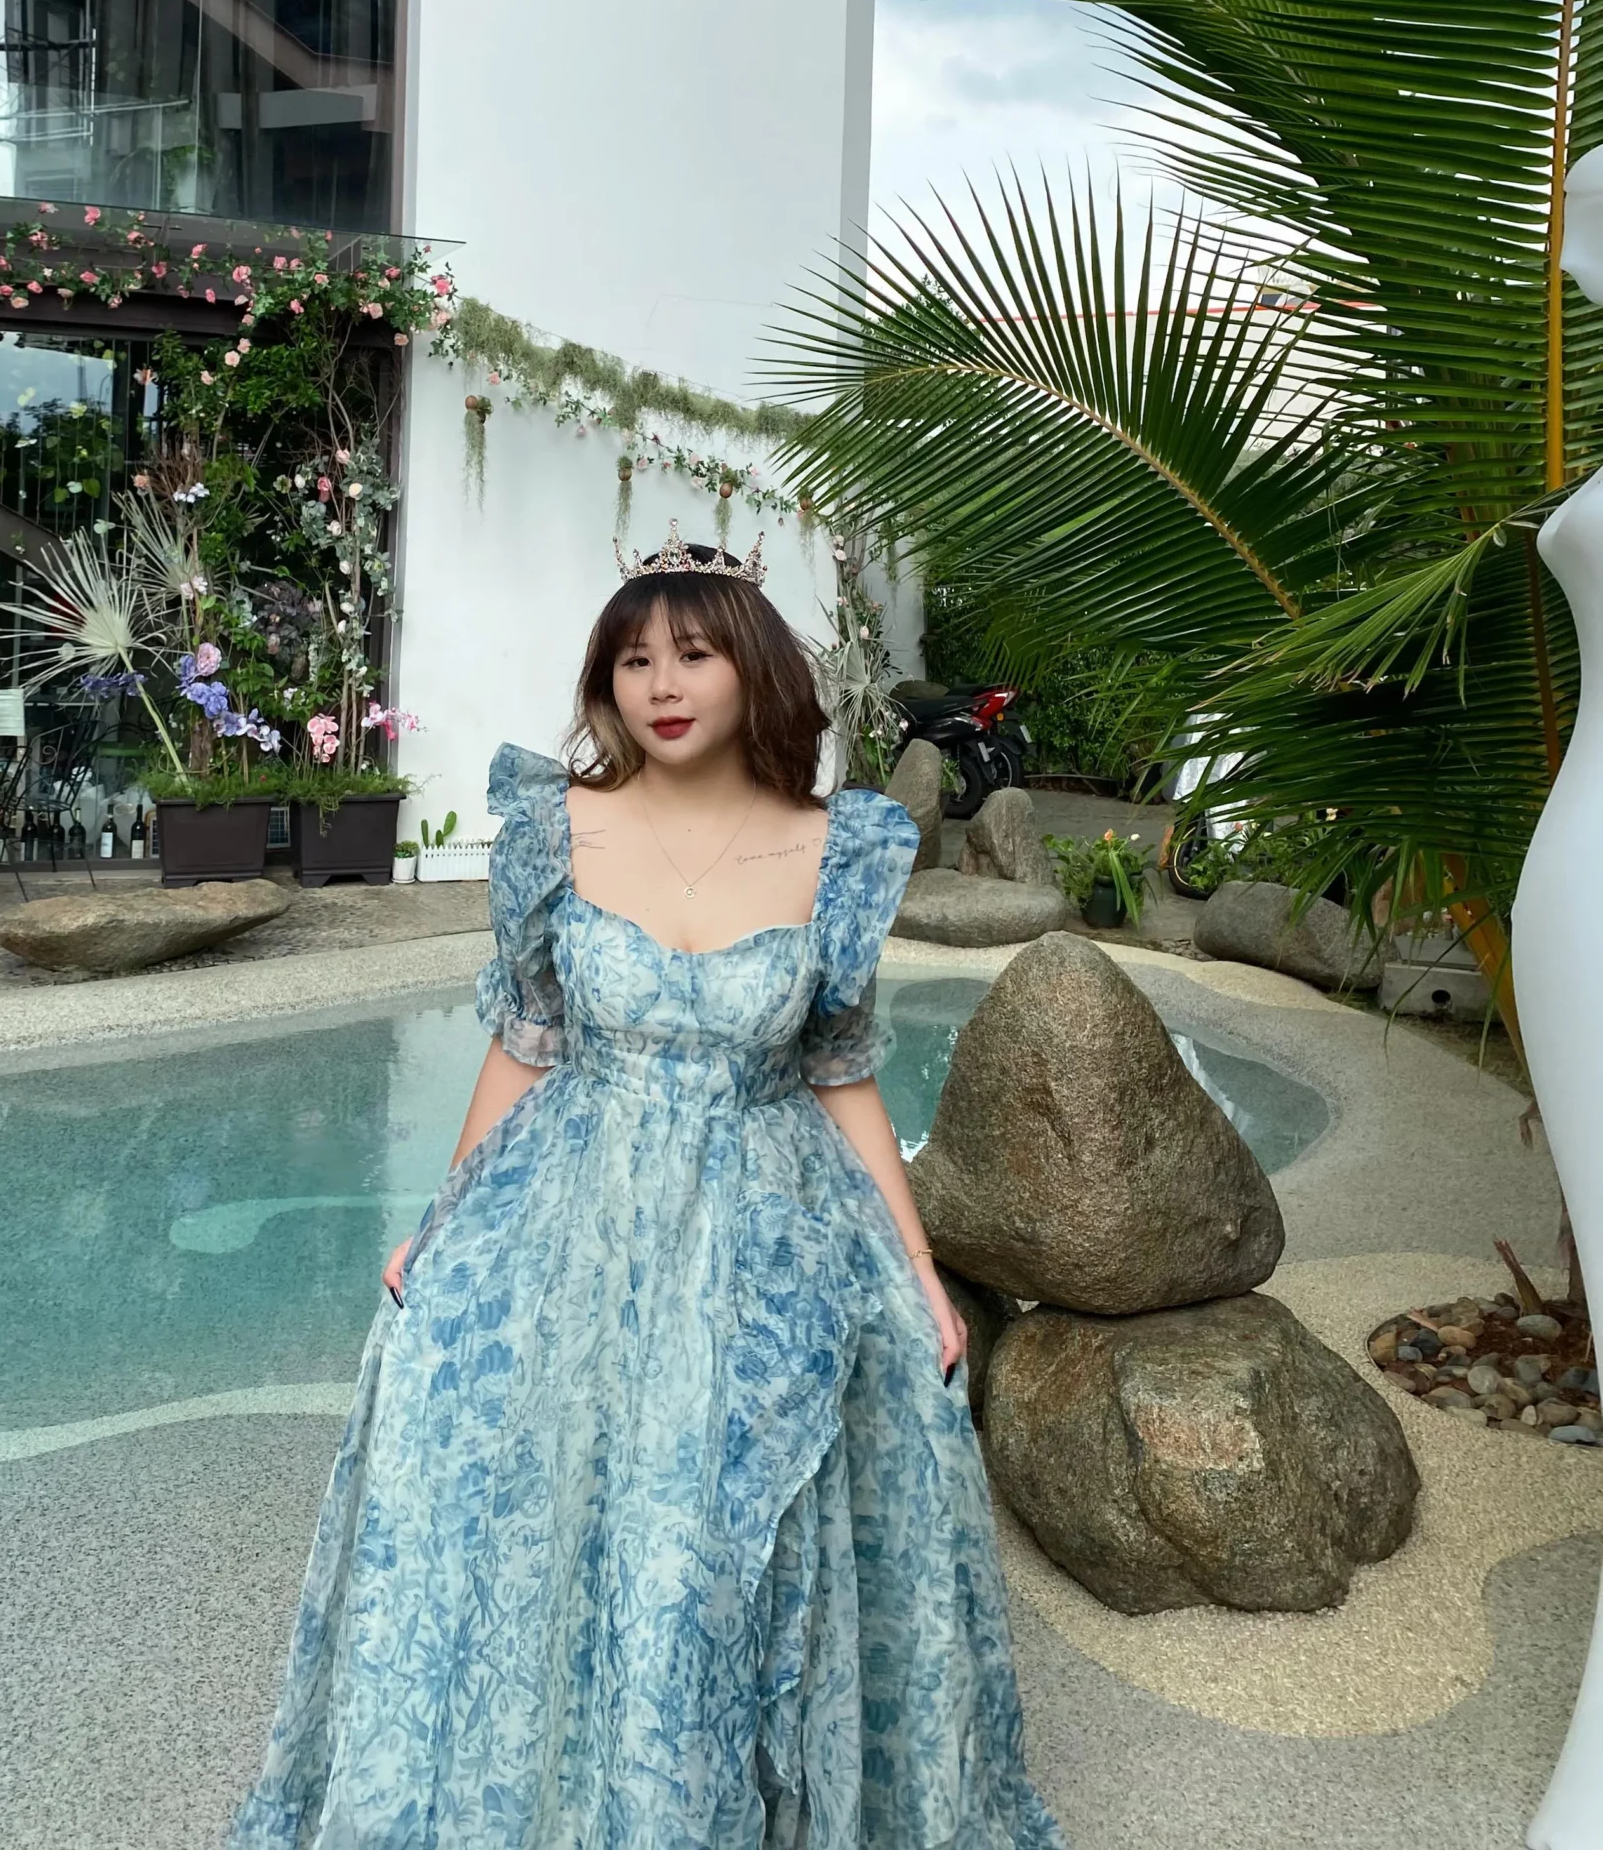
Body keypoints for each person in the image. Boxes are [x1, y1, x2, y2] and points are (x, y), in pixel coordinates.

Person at [230, 528, 1061, 1849]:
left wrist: (916, 1271)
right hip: (576, 1220)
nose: (661, 685)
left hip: (763, 1235)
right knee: (557, 1511)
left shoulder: (837, 847)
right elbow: (527, 1043)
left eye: (694, 654)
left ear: (755, 669)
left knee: (715, 1540)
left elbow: (840, 1070)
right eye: (632, 661)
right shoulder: (556, 827)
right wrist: (443, 1224)